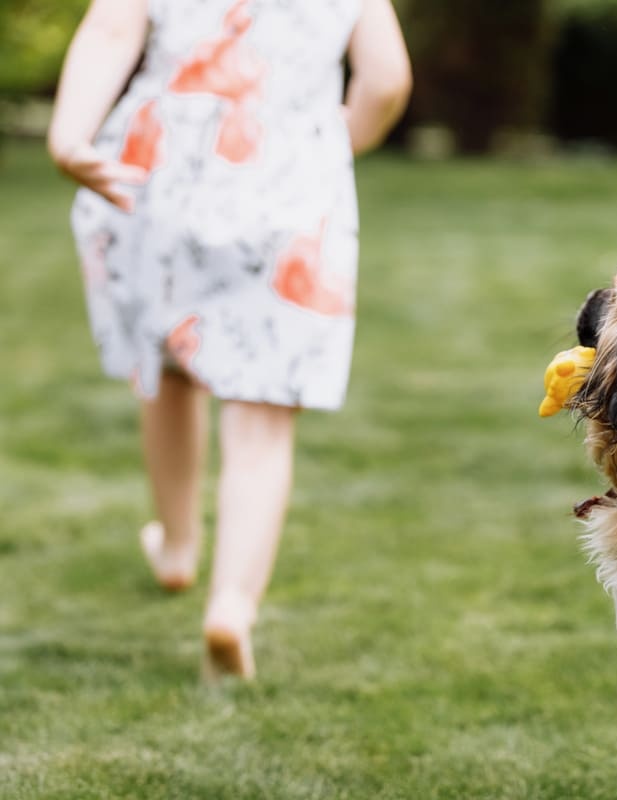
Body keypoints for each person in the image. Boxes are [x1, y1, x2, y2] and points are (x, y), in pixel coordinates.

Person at [47, 0, 412, 680]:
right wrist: (337, 140)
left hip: (165, 178)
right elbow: (386, 79)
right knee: (261, 419)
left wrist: (70, 134)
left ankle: (178, 546)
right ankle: (232, 605)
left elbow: (109, 29)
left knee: (171, 369)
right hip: (288, 183)